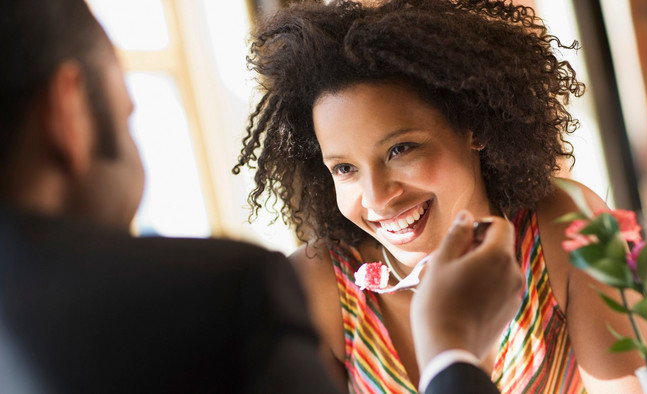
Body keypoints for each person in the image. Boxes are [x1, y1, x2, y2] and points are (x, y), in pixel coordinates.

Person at [0, 0, 522, 393]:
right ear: (69, 112)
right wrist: (451, 350)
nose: (379, 195)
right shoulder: (226, 298)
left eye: (401, 148)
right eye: (128, 112)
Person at [235, 0, 647, 392]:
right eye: (345, 169)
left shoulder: (569, 226)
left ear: (476, 128)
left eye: (401, 149)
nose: (377, 198)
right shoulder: (320, 288)